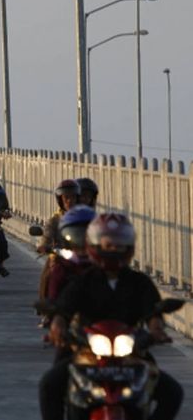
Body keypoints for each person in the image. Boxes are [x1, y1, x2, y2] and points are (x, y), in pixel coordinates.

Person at [39, 213, 184, 420]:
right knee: (50, 385)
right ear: (95, 245)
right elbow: (64, 306)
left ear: (129, 246)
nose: (113, 250)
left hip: (130, 355)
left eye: (119, 245)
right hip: (87, 351)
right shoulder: (84, 280)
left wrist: (156, 328)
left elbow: (153, 310)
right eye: (108, 245)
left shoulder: (139, 282)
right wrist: (58, 325)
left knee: (172, 393)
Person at [37, 179, 81, 300]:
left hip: (81, 257)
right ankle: (47, 308)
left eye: (72, 197)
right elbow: (47, 234)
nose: (69, 200)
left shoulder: (84, 216)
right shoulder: (55, 219)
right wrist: (44, 245)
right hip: (60, 257)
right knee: (48, 276)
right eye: (66, 197)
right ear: (60, 199)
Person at [45, 205, 96, 302]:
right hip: (65, 252)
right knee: (50, 271)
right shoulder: (57, 218)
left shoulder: (102, 267)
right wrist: (44, 244)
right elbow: (48, 233)